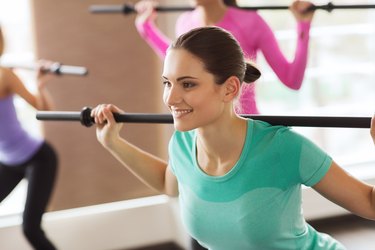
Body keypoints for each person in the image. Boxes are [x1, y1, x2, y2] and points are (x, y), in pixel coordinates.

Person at [91, 26, 375, 249]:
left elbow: (370, 205)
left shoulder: (284, 147)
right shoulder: (182, 143)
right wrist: (113, 142)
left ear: (229, 89)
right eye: (168, 83)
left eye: (187, 84)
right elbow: (170, 184)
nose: (171, 98)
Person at [134, 0, 315, 114]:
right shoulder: (185, 23)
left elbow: (292, 79)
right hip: (203, 127)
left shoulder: (250, 22)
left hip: (247, 127)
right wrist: (147, 28)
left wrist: (303, 25)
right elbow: (174, 58)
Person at [0, 27, 58, 250]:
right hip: (8, 162)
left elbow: (45, 110)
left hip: (38, 159)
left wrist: (40, 84)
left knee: (31, 229)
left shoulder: (5, 75)